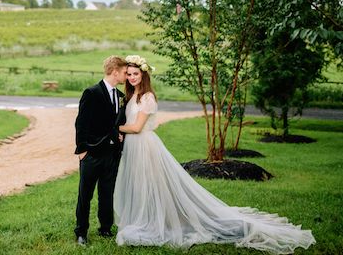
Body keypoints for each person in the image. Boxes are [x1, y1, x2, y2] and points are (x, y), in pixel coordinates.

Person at [114, 55, 316, 254]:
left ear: (144, 75)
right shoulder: (131, 96)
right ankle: (145, 218)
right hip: (133, 146)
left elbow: (138, 127)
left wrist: (115, 128)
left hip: (144, 146)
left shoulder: (147, 97)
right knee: (139, 184)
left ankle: (157, 221)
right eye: (129, 74)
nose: (132, 77)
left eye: (136, 74)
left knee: (151, 185)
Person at [74, 55, 128, 246]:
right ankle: (81, 232)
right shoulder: (92, 92)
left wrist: (120, 138)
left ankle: (105, 227)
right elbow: (81, 123)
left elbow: (119, 124)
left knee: (107, 193)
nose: (126, 75)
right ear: (115, 72)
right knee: (85, 195)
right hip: (92, 154)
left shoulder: (122, 97)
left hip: (112, 155)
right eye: (124, 72)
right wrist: (82, 151)